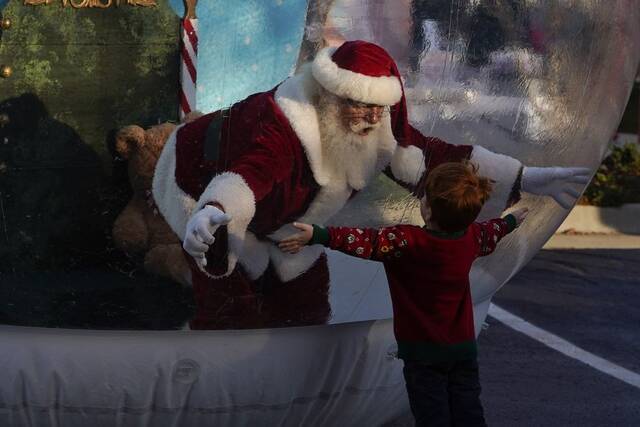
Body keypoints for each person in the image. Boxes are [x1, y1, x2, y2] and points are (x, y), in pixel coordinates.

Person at [152, 39, 589, 329]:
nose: (372, 120)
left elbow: (436, 158)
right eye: (361, 107)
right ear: (329, 96)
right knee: (226, 299)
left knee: (305, 304)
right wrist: (216, 210)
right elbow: (249, 174)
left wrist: (527, 177)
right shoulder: (280, 123)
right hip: (197, 182)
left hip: (289, 222)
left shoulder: (379, 128)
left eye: (380, 109)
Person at [279, 161, 528, 426]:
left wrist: (320, 234)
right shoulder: (472, 238)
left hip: (423, 354)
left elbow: (366, 242)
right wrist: (512, 220)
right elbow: (494, 230)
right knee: (468, 410)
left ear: (428, 211)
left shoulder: (408, 242)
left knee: (432, 415)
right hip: (462, 349)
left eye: (425, 197)